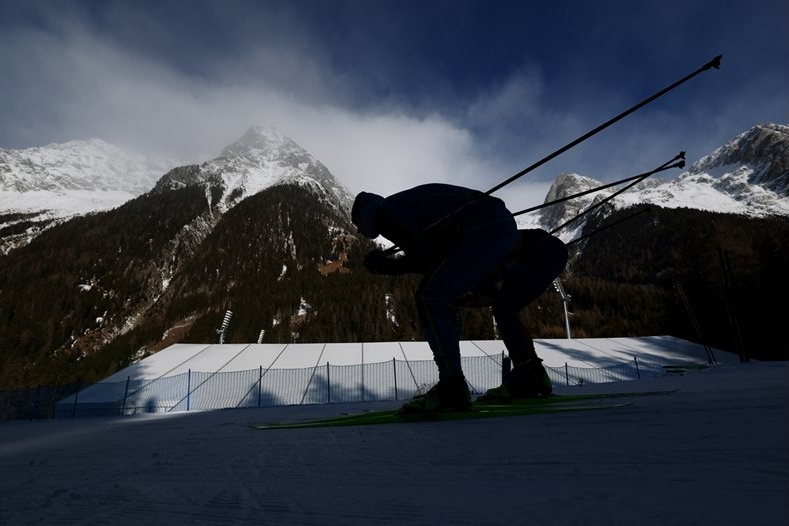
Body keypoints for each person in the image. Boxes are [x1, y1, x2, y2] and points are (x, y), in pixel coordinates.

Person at [351, 183, 568, 412]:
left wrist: (387, 267)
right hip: (494, 226)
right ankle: (529, 375)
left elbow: (426, 257)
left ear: (365, 214)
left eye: (357, 224)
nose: (358, 231)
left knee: (430, 297)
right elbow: (439, 257)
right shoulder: (402, 206)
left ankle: (452, 388)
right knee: (497, 307)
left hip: (485, 229)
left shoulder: (386, 214)